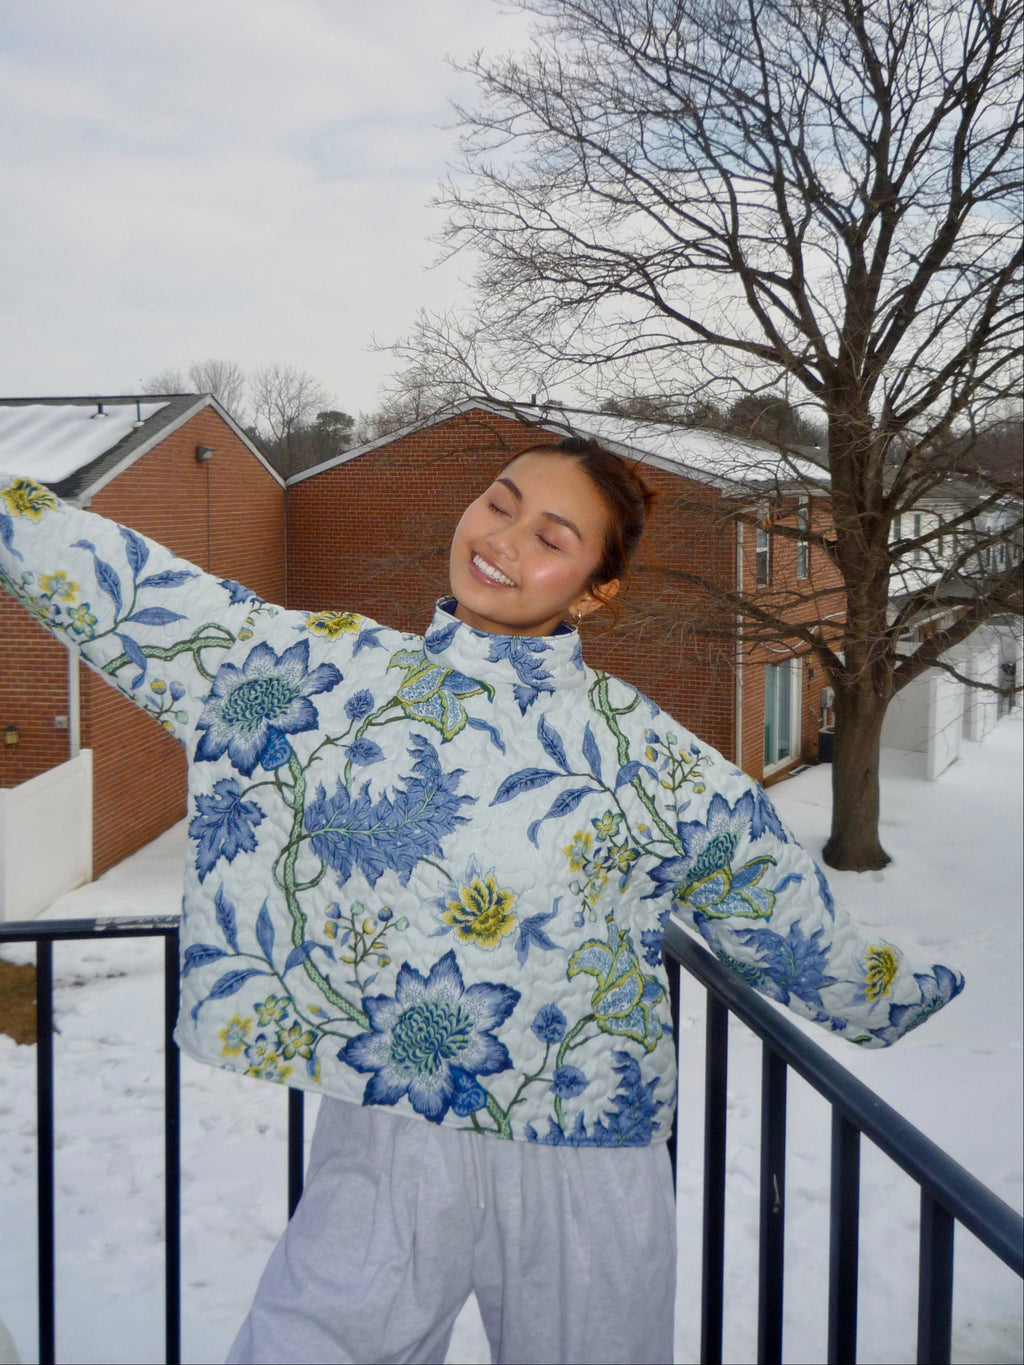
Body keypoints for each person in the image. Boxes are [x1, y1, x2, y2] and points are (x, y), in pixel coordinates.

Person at [0, 439, 963, 1365]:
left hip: (585, 1146)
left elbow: (784, 919)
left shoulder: (655, 762)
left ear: (598, 587)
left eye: (551, 536)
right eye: (499, 503)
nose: (503, 539)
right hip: (391, 1120)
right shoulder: (326, 676)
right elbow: (136, 593)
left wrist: (908, 990)